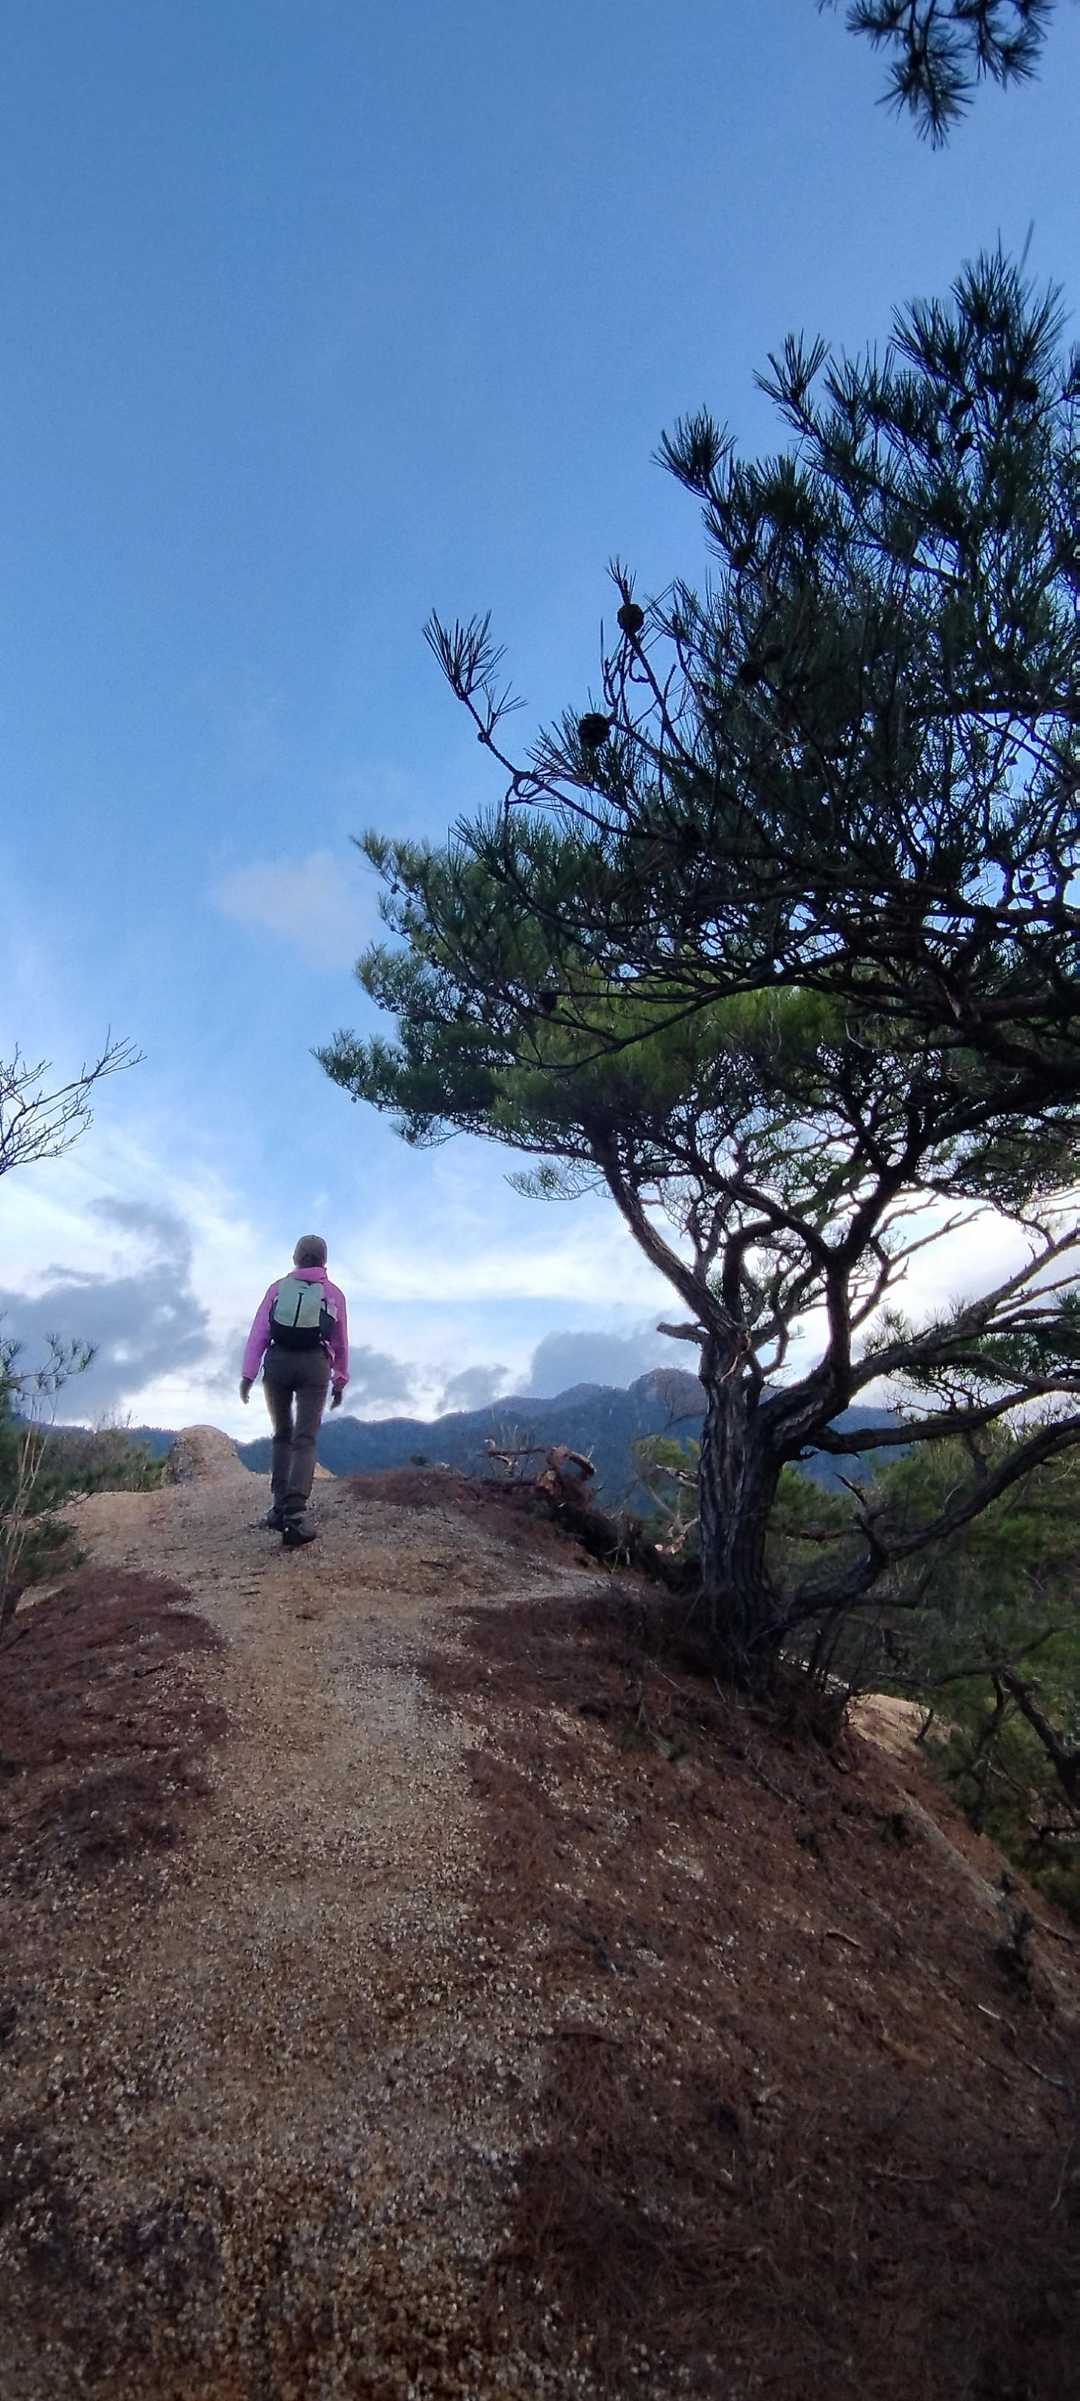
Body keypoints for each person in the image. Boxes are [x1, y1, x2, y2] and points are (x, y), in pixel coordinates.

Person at [239, 1235, 349, 1546]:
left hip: (277, 1363)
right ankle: (296, 1513)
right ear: (324, 1261)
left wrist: (248, 1374)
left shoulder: (277, 1289)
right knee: (305, 1438)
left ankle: (278, 1507)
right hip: (315, 1364)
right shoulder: (333, 1294)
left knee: (282, 1434)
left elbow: (259, 1333)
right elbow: (340, 1341)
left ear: (295, 1258)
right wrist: (340, 1380)